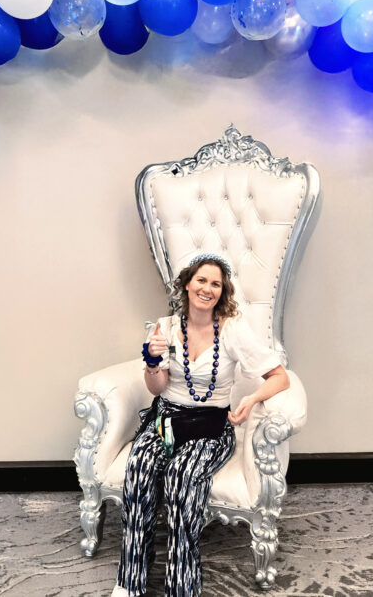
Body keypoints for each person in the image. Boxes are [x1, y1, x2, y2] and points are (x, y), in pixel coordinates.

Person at [112, 254, 291, 597]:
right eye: (201, 280)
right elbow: (157, 387)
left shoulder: (232, 330)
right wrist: (151, 362)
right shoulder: (165, 328)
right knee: (139, 466)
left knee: (182, 476)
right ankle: (130, 582)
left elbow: (279, 377)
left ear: (222, 293)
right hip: (166, 421)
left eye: (215, 284)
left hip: (210, 429)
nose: (207, 288)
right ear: (187, 283)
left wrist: (251, 400)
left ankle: (181, 587)